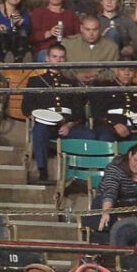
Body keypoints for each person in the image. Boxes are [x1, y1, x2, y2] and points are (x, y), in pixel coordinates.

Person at [24, 45, 87, 184]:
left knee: (89, 134)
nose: (58, 60)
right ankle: (42, 171)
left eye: (61, 57)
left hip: (68, 124)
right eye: (54, 57)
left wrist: (69, 125)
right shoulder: (36, 81)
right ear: (47, 58)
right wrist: (45, 117)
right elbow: (26, 107)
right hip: (46, 124)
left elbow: (79, 111)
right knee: (39, 130)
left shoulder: (72, 83)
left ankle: (83, 174)